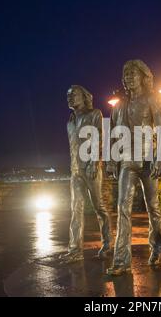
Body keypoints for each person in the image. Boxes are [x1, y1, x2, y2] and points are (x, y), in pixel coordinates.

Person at [106, 60, 161, 276]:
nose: (128, 78)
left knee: (153, 206)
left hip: (147, 158)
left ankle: (158, 247)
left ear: (144, 76)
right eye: (125, 75)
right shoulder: (119, 105)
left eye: (132, 74)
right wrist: (112, 160)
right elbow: (113, 134)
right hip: (126, 162)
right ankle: (121, 260)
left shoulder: (153, 99)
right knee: (123, 207)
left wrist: (159, 157)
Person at [59, 85, 112, 263]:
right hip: (75, 171)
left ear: (84, 96)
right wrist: (73, 168)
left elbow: (98, 139)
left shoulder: (94, 114)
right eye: (68, 95)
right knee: (76, 209)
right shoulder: (70, 122)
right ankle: (75, 251)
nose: (70, 97)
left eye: (74, 94)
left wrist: (94, 163)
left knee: (99, 207)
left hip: (91, 168)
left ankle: (107, 243)